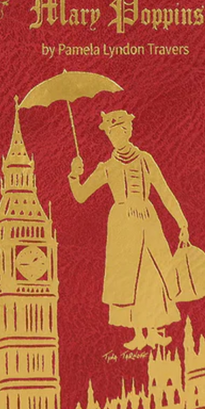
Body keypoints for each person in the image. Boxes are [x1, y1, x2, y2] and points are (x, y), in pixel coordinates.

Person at [68, 110, 189, 350]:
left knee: (153, 272)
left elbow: (164, 191)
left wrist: (182, 222)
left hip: (147, 220)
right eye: (111, 134)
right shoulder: (107, 167)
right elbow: (81, 195)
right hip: (122, 224)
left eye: (120, 132)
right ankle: (138, 334)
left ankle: (155, 330)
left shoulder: (145, 160)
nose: (116, 138)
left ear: (129, 132)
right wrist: (74, 174)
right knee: (128, 277)